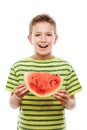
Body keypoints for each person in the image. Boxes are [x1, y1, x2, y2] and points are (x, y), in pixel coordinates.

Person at [6, 14, 82, 130]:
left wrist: (67, 102)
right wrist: (16, 96)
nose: (43, 39)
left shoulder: (66, 67)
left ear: (55, 38)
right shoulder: (18, 66)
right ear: (30, 38)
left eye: (48, 35)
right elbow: (12, 105)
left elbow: (73, 105)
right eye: (37, 35)